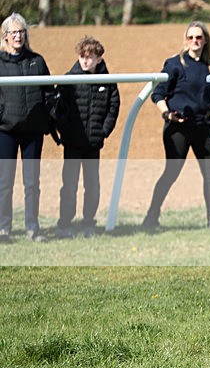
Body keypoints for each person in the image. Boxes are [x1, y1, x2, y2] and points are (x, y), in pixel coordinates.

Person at [142, 21, 210, 234]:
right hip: (178, 128)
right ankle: (151, 217)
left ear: (205, 40)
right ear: (185, 40)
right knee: (171, 172)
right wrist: (167, 114)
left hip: (203, 127)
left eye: (198, 37)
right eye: (190, 37)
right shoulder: (174, 64)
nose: (194, 41)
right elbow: (157, 94)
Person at [54, 36, 120, 239]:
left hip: (93, 144)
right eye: (82, 56)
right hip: (72, 143)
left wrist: (103, 131)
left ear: (99, 59)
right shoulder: (68, 80)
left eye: (90, 57)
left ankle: (88, 223)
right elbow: (58, 107)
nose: (85, 61)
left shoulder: (108, 82)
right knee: (69, 185)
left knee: (92, 185)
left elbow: (113, 107)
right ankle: (65, 223)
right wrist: (65, 130)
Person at [0, 13, 57, 243]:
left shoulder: (37, 61)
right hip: (6, 130)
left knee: (32, 182)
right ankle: (4, 228)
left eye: (21, 31)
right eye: (13, 32)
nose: (18, 36)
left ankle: (33, 227)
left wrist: (47, 117)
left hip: (33, 131)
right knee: (4, 181)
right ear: (5, 36)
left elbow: (49, 92)